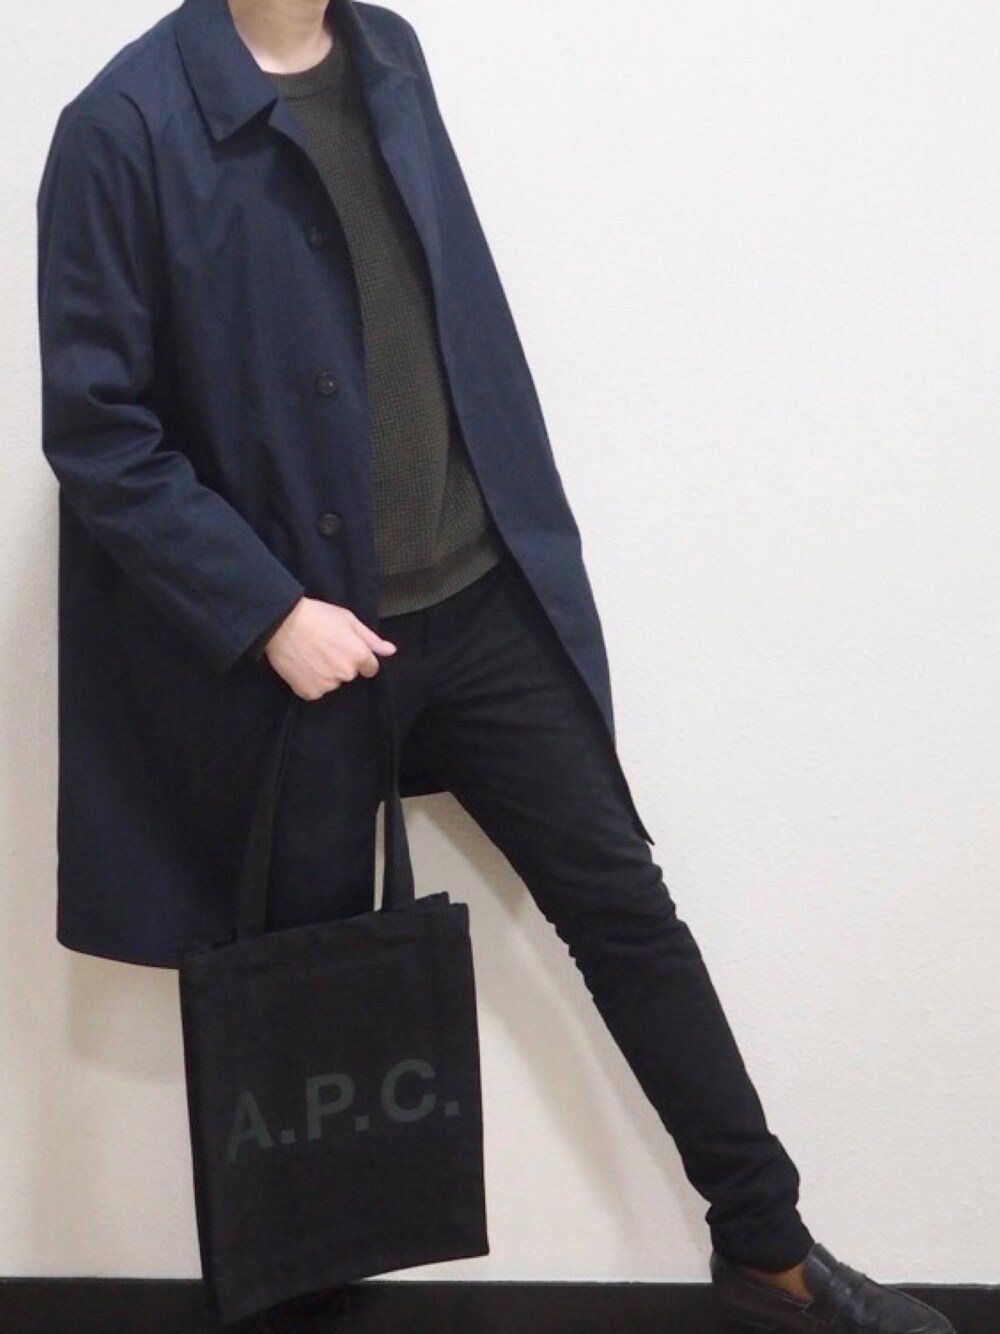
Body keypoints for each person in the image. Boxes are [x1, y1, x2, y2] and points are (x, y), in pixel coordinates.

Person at [35, 1, 955, 1331]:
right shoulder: (123, 126)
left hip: (476, 600)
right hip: (310, 648)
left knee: (628, 912)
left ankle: (769, 1246)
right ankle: (300, 1298)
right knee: (305, 1006)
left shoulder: (390, 52)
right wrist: (268, 611)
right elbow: (99, 431)